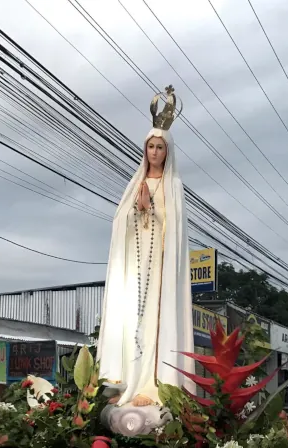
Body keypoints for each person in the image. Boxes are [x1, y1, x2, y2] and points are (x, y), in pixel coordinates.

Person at [96, 86, 194, 409]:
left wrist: (150, 210)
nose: (154, 152)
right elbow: (119, 222)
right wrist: (136, 211)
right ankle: (127, 379)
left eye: (160, 147)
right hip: (136, 272)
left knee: (155, 324)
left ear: (168, 151)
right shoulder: (135, 184)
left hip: (160, 275)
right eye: (150, 146)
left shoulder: (174, 187)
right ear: (144, 150)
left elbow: (174, 231)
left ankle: (153, 386)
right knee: (131, 324)